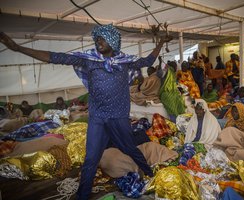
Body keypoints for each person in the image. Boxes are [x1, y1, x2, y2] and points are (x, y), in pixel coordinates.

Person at [0, 25, 172, 199]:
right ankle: (83, 196)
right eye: (96, 38)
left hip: (119, 117)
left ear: (112, 41)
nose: (98, 41)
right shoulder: (89, 60)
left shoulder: (125, 61)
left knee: (129, 148)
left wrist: (161, 43)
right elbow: (56, 57)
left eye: (102, 38)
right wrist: (18, 48)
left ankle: (150, 174)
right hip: (98, 118)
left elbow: (148, 61)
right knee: (91, 159)